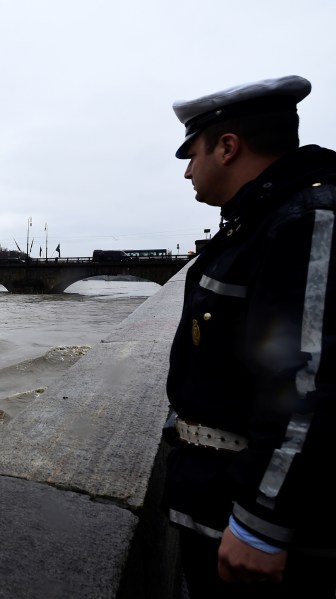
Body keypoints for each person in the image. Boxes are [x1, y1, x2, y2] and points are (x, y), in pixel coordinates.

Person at [163, 75, 336, 598]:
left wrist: (263, 520)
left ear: (228, 147)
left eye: (191, 154)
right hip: (218, 502)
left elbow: (311, 380)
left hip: (260, 537)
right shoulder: (260, 219)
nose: (189, 170)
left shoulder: (306, 219)